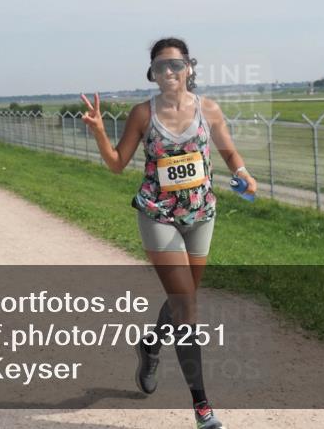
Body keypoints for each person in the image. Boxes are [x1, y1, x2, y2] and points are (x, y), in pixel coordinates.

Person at [81, 37, 257, 429]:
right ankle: (203, 408)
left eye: (176, 65)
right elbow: (116, 163)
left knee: (184, 301)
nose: (169, 72)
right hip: (158, 216)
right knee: (187, 307)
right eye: (161, 67)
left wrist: (243, 174)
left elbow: (228, 152)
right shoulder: (142, 114)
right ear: (153, 73)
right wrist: (97, 130)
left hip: (201, 215)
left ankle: (150, 345)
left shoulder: (208, 110)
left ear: (190, 67)